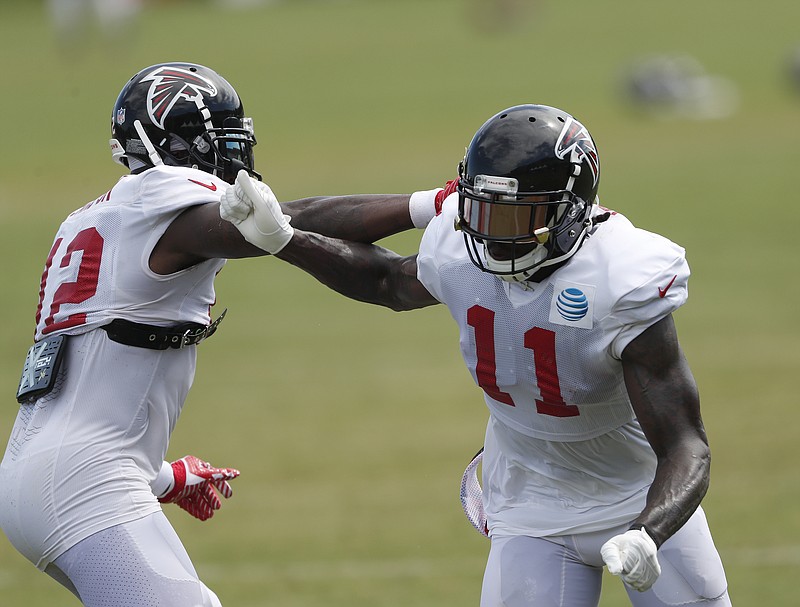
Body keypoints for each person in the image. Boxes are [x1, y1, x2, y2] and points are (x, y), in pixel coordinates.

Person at [219, 103, 732, 606]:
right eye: (483, 211)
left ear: (571, 211)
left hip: (636, 494)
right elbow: (387, 281)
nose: (492, 234)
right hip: (530, 502)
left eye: (516, 217)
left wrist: (649, 531)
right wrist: (286, 240)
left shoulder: (621, 275)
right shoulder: (458, 245)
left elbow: (688, 446)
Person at [0, 61, 436, 606]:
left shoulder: (90, 221)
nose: (234, 158)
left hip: (32, 474)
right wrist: (431, 205)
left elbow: (85, 384)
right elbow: (281, 219)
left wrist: (161, 476)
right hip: (84, 484)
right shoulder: (161, 192)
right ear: (175, 146)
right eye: (220, 142)